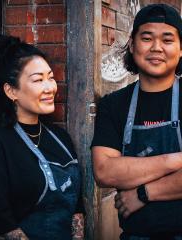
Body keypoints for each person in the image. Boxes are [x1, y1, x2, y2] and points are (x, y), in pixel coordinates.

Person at [0, 34, 84, 240]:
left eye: (50, 77)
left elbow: (76, 207)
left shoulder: (61, 138)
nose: (51, 87)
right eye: (38, 80)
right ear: (11, 90)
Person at [91, 3, 182, 240]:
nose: (156, 48)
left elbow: (118, 169)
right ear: (132, 45)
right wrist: (175, 160)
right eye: (147, 38)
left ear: (181, 49)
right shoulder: (113, 105)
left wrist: (143, 193)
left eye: (167, 40)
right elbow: (104, 172)